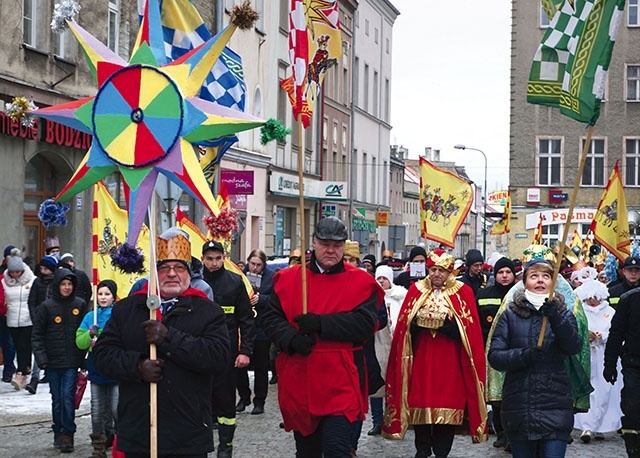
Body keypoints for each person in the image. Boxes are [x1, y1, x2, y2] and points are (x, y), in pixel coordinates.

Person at [92, 228, 230, 457]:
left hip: (188, 434)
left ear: (189, 273)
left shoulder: (207, 311)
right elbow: (103, 356)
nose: (172, 274)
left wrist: (169, 338)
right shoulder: (128, 308)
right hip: (138, 432)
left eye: (179, 268)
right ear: (154, 274)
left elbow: (218, 358)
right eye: (164, 268)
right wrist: (136, 366)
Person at [262, 216, 382, 457]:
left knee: (337, 448)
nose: (330, 250)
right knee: (307, 451)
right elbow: (270, 319)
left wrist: (320, 324)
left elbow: (365, 324)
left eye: (337, 246)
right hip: (301, 375)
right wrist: (291, 339)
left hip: (341, 377)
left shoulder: (360, 282)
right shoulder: (288, 280)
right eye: (325, 244)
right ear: (314, 243)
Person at [383, 249, 487, 457]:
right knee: (419, 404)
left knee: (448, 407)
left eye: (441, 270)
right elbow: (404, 326)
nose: (436, 274)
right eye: (433, 269)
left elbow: (472, 330)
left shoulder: (462, 292)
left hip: (451, 364)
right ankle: (422, 449)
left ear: (450, 272)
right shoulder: (416, 290)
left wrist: (453, 329)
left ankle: (441, 451)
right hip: (421, 360)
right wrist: (416, 326)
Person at [488, 259, 582, 458]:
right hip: (520, 405)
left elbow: (573, 346)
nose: (540, 281)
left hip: (555, 404)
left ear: (553, 282)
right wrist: (523, 355)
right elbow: (495, 357)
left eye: (546, 276)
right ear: (524, 282)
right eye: (534, 276)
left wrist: (556, 318)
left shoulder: (564, 313)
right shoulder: (510, 315)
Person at [201, 240, 255, 457]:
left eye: (217, 258)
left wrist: (245, 351)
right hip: (201, 352)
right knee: (201, 400)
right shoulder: (196, 282)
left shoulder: (234, 282)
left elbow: (247, 320)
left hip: (227, 352)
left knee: (225, 402)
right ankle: (201, 445)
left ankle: (226, 446)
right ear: (203, 259)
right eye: (209, 259)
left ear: (224, 258)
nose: (214, 263)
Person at [32, 268, 88, 453]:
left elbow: (84, 331)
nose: (67, 287)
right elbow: (37, 335)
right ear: (57, 285)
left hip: (72, 361)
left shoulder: (79, 305)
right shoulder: (46, 307)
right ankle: (58, 430)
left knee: (67, 397)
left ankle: (68, 432)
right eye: (63, 284)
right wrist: (42, 359)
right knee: (56, 399)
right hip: (52, 362)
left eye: (70, 284)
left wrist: (83, 358)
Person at [573, 279, 622, 443]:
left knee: (605, 390)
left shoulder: (610, 312)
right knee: (588, 389)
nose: (592, 300)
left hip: (604, 355)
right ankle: (587, 425)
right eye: (589, 297)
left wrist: (603, 336)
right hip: (586, 355)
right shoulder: (579, 312)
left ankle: (601, 425)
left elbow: (617, 333)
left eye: (595, 297)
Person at [476, 257, 517, 449]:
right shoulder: (484, 294)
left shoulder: (519, 293)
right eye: (501, 272)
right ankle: (500, 432)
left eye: (508, 272)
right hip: (491, 349)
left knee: (512, 393)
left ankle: (512, 434)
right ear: (495, 274)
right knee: (495, 395)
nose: (505, 276)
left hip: (515, 350)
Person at [76, 280, 119, 458]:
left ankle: (120, 442)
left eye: (107, 294)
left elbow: (122, 337)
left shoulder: (118, 315)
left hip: (115, 368)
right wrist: (89, 335)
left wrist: (101, 336)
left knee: (117, 408)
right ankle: (98, 446)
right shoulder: (89, 317)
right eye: (100, 294)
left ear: (113, 297)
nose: (103, 297)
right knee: (97, 409)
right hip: (96, 368)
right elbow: (79, 342)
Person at [367, 265, 406, 436]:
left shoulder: (400, 297)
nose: (381, 281)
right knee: (377, 384)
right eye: (379, 278)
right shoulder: (372, 297)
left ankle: (394, 418)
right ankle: (377, 421)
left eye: (384, 278)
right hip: (377, 343)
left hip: (395, 345)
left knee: (395, 383)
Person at [604, 273, 640, 458]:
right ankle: (633, 445)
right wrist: (609, 364)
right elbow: (616, 333)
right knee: (633, 406)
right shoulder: (630, 299)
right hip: (634, 364)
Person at [237, 249, 274, 415]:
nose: (255, 268)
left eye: (258, 265)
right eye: (252, 264)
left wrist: (262, 299)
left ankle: (260, 401)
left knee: (260, 366)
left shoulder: (271, 278)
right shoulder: (239, 276)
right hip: (244, 327)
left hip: (262, 328)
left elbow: (277, 299)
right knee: (239, 365)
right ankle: (244, 396)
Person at [2, 248, 36, 391]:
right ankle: (22, 371)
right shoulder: (4, 282)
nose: (15, 275)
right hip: (11, 319)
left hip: (27, 319)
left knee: (24, 346)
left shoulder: (32, 280)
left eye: (17, 272)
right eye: (12, 272)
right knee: (16, 345)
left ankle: (22, 373)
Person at [26, 254, 60, 393]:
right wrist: (35, 318)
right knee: (38, 349)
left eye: (46, 269)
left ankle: (49, 374)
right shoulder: (37, 282)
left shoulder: (57, 283)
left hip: (54, 322)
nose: (43, 271)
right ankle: (34, 378)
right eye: (41, 268)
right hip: (40, 321)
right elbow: (32, 302)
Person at [0, 245, 17, 383]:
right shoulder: (1, 272)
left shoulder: (20, 271)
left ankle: (9, 368)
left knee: (9, 343)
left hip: (11, 313)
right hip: (2, 312)